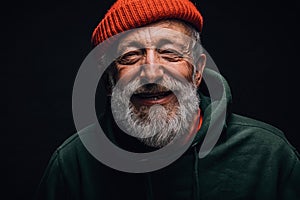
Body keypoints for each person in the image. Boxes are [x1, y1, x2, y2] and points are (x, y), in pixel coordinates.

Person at [35, 0, 300, 199]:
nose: (151, 72)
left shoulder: (270, 156)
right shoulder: (73, 165)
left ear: (197, 71)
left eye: (170, 52)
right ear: (109, 80)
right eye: (130, 56)